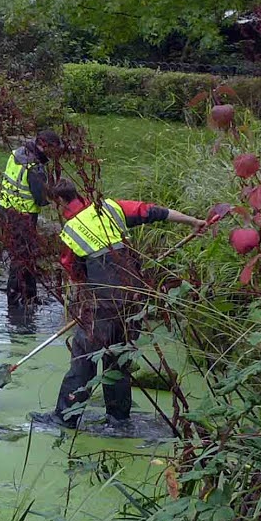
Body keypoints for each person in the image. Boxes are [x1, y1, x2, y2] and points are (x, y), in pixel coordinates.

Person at [49, 182, 200, 433]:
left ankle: (65, 418)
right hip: (133, 301)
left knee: (83, 360)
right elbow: (152, 211)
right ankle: (119, 420)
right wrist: (193, 221)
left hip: (102, 306)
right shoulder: (110, 207)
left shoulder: (71, 230)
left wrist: (84, 302)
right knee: (118, 360)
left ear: (60, 203)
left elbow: (74, 271)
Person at [0, 129, 64, 315]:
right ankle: (14, 300)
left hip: (7, 209)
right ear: (44, 145)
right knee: (21, 258)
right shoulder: (35, 167)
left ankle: (30, 297)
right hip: (24, 216)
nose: (54, 154)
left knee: (26, 255)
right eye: (53, 149)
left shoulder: (17, 153)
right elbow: (41, 198)